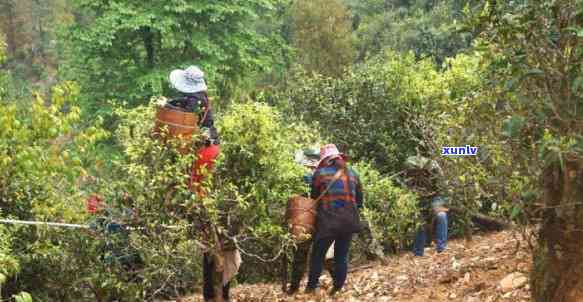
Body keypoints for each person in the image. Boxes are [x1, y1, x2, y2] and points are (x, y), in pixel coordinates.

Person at [169, 66, 237, 302]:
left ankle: (214, 294)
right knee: (212, 236)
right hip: (213, 151)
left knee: (199, 197)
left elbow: (182, 112)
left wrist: (169, 106)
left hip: (205, 154)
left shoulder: (194, 103)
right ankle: (216, 294)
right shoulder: (201, 99)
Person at [306, 144, 364, 296]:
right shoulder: (353, 173)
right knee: (341, 256)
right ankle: (337, 287)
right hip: (349, 220)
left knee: (318, 254)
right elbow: (360, 201)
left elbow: (313, 198)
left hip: (328, 221)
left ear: (325, 160)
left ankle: (311, 287)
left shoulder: (320, 174)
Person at [286, 148, 335, 295]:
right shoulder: (323, 174)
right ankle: (296, 286)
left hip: (313, 219)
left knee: (312, 254)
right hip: (310, 219)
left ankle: (298, 287)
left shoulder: (316, 175)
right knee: (308, 253)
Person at [404, 155, 448, 256]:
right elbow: (408, 187)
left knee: (441, 216)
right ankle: (418, 252)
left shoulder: (434, 168)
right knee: (420, 223)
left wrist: (441, 202)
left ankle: (442, 248)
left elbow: (442, 187)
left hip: (435, 197)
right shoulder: (409, 167)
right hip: (419, 199)